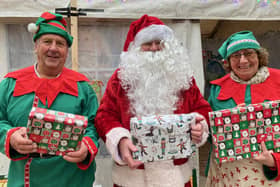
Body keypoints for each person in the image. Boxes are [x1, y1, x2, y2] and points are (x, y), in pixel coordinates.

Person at [95, 14, 212, 187]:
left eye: (159, 43)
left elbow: (203, 109)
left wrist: (199, 127)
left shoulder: (183, 77)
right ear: (135, 49)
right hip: (132, 178)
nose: (154, 48)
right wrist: (120, 139)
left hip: (176, 179)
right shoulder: (121, 79)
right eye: (148, 44)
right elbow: (104, 115)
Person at [0, 12, 99, 187]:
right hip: (24, 179)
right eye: (47, 42)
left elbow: (94, 126)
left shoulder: (83, 87)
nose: (53, 48)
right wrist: (10, 136)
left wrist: (86, 146)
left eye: (60, 43)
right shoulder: (10, 83)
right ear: (36, 46)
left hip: (73, 179)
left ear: (66, 51)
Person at [206, 30, 280, 186]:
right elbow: (208, 132)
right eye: (236, 56)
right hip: (229, 174)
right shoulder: (217, 89)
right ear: (228, 61)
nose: (243, 60)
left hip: (271, 172)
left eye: (249, 54)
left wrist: (275, 161)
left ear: (259, 57)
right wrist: (228, 121)